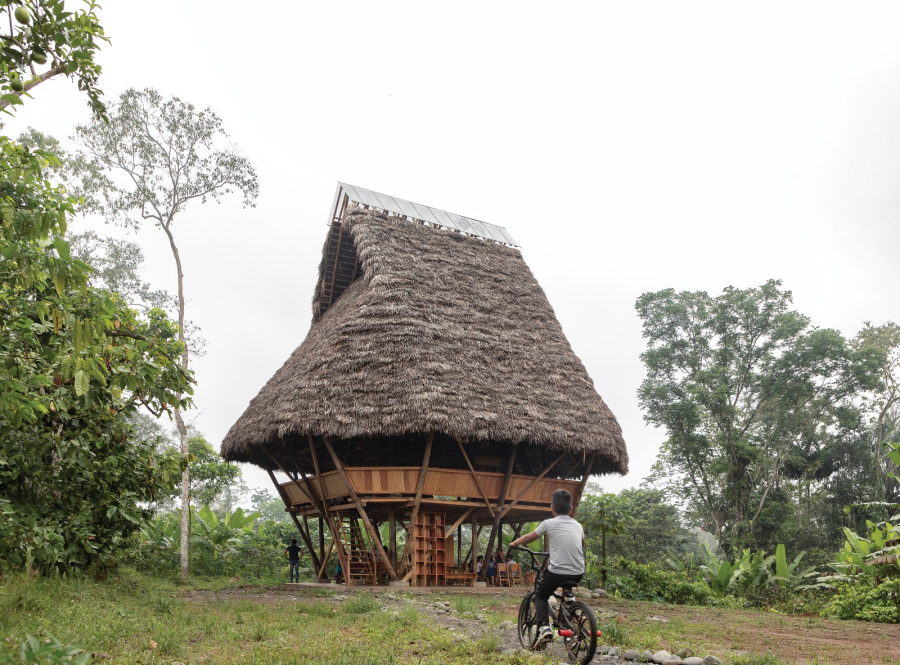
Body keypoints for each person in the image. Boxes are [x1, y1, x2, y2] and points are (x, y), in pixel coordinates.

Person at [510, 488, 585, 647]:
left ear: (552, 508)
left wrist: (515, 543)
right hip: (578, 571)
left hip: (557, 572)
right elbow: (581, 544)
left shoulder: (549, 523)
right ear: (571, 509)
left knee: (541, 595)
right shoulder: (578, 526)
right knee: (567, 585)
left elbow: (530, 537)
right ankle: (570, 603)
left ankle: (544, 626)